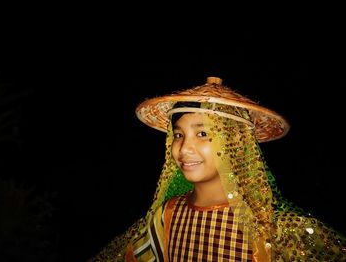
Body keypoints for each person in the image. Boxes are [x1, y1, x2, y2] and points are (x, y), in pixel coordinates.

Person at [88, 76, 346, 261]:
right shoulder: (166, 216)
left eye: (202, 133)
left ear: (235, 143)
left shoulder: (276, 228)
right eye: (178, 135)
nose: (184, 148)